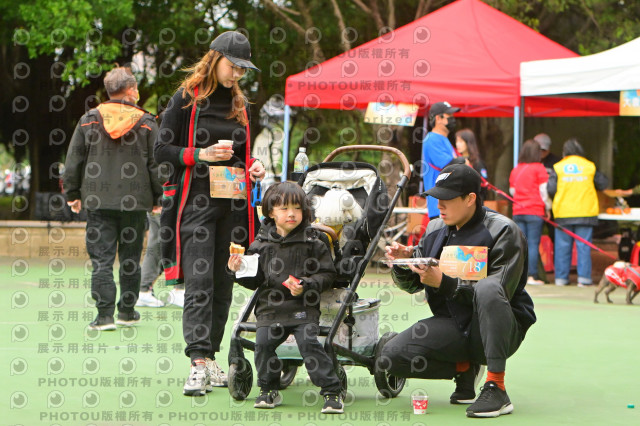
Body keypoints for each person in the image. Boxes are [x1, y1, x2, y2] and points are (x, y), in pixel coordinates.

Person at [154, 31, 266, 396]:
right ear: (215, 59)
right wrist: (200, 155)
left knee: (223, 284)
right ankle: (198, 362)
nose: (238, 74)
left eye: (243, 69)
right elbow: (161, 150)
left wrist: (253, 164)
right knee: (199, 282)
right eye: (233, 66)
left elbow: (241, 154)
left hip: (233, 205)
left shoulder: (240, 105)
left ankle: (212, 356)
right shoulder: (185, 98)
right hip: (195, 205)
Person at [383, 163, 536, 418]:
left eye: (447, 198)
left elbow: (500, 294)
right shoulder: (434, 228)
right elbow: (412, 285)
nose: (440, 205)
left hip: (499, 329)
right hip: (453, 325)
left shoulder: (504, 230)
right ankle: (464, 368)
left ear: (470, 199)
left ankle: (496, 387)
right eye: (437, 198)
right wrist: (403, 264)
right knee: (390, 357)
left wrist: (445, 283)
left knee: (488, 286)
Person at [228, 182, 344, 413]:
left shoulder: (314, 242)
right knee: (262, 344)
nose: (292, 214)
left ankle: (332, 390)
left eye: (297, 208)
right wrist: (236, 270)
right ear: (271, 212)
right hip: (270, 309)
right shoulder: (260, 245)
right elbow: (255, 280)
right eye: (284, 208)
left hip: (304, 307)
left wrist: (306, 285)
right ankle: (268, 388)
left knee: (309, 343)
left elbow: (328, 274)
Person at [63, 66, 162, 330]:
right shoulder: (147, 122)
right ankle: (127, 312)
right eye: (136, 88)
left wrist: (73, 194)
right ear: (130, 90)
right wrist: (158, 197)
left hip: (98, 201)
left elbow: (73, 161)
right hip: (136, 202)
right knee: (131, 259)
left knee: (102, 260)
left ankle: (104, 316)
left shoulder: (89, 120)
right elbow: (156, 165)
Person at [548, 138, 609, 287]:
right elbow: (603, 184)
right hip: (585, 212)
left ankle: (561, 279)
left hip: (563, 213)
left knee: (562, 247)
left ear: (565, 152)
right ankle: (584, 279)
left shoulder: (558, 167)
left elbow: (551, 189)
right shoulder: (589, 166)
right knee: (583, 247)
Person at [509, 140, 551, 286]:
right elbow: (544, 191)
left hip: (518, 210)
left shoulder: (516, 170)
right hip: (534, 210)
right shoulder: (539, 168)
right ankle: (532, 275)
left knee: (521, 244)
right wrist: (548, 208)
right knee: (533, 244)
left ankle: (520, 276)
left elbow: (512, 191)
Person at [422, 101, 459, 219]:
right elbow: (450, 165)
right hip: (439, 205)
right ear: (438, 118)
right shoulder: (432, 139)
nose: (453, 119)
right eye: (449, 116)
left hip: (448, 204)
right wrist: (464, 162)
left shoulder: (443, 139)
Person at [455, 128, 489, 202]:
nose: (457, 144)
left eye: (461, 141)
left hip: (473, 202)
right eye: (457, 141)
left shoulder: (477, 163)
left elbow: (483, 185)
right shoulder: (455, 160)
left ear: (468, 142)